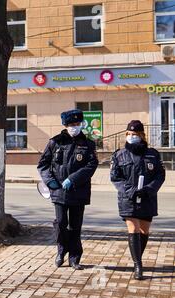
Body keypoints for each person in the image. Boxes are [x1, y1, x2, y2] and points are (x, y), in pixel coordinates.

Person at [37, 109, 99, 270]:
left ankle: (74, 257)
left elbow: (91, 165)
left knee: (75, 226)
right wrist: (51, 183)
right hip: (58, 191)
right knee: (61, 223)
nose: (75, 127)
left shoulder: (88, 143)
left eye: (77, 124)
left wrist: (73, 179)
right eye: (72, 124)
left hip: (79, 191)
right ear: (65, 125)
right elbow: (43, 165)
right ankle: (61, 251)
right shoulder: (55, 142)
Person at [110, 120, 165, 280]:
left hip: (148, 197)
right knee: (133, 229)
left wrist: (149, 189)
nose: (131, 137)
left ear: (141, 136)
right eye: (129, 134)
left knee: (144, 230)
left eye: (135, 134)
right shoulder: (119, 155)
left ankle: (136, 258)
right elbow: (115, 177)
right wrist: (131, 190)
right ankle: (138, 265)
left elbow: (160, 175)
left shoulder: (153, 154)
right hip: (128, 198)